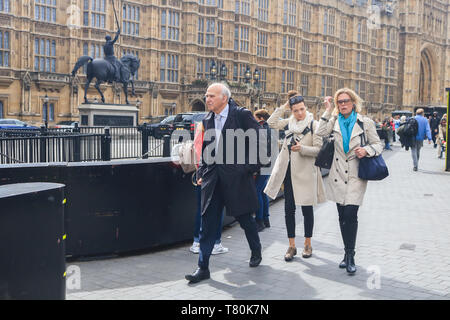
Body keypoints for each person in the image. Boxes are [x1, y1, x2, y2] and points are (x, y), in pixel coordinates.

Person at [185, 83, 263, 284]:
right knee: (208, 223)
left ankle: (256, 250)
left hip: (237, 178)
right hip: (213, 179)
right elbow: (206, 149)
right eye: (206, 95)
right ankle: (203, 268)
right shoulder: (208, 118)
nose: (207, 98)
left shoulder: (241, 115)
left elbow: (260, 142)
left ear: (224, 98)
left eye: (211, 95)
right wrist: (202, 171)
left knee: (245, 218)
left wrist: (248, 168)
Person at [317, 88, 383, 274]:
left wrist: (367, 151)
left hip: (355, 176)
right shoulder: (334, 121)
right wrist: (328, 110)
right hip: (337, 175)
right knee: (341, 216)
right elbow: (320, 133)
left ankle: (351, 255)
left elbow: (379, 144)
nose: (343, 104)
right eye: (340, 102)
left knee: (350, 215)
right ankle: (346, 254)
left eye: (346, 101)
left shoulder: (365, 123)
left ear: (353, 102)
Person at [264, 90, 326, 261]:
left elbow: (319, 150)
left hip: (306, 173)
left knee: (307, 210)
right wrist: (283, 106)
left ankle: (307, 243)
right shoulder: (288, 122)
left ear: (306, 107)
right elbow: (270, 122)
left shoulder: (314, 125)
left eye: (302, 109)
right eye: (296, 110)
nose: (299, 113)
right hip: (289, 172)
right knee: (289, 210)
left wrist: (303, 149)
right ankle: (291, 246)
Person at [190, 121, 228, 255]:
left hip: (207, 173)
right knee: (212, 210)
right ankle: (210, 243)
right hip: (211, 174)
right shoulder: (211, 127)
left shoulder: (202, 126)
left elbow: (197, 149)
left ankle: (201, 242)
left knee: (206, 210)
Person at [253, 109, 271, 232]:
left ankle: (259, 221)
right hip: (268, 163)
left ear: (260, 118)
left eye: (255, 117)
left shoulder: (261, 129)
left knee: (257, 191)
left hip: (262, 164)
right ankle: (266, 219)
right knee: (263, 192)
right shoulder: (268, 128)